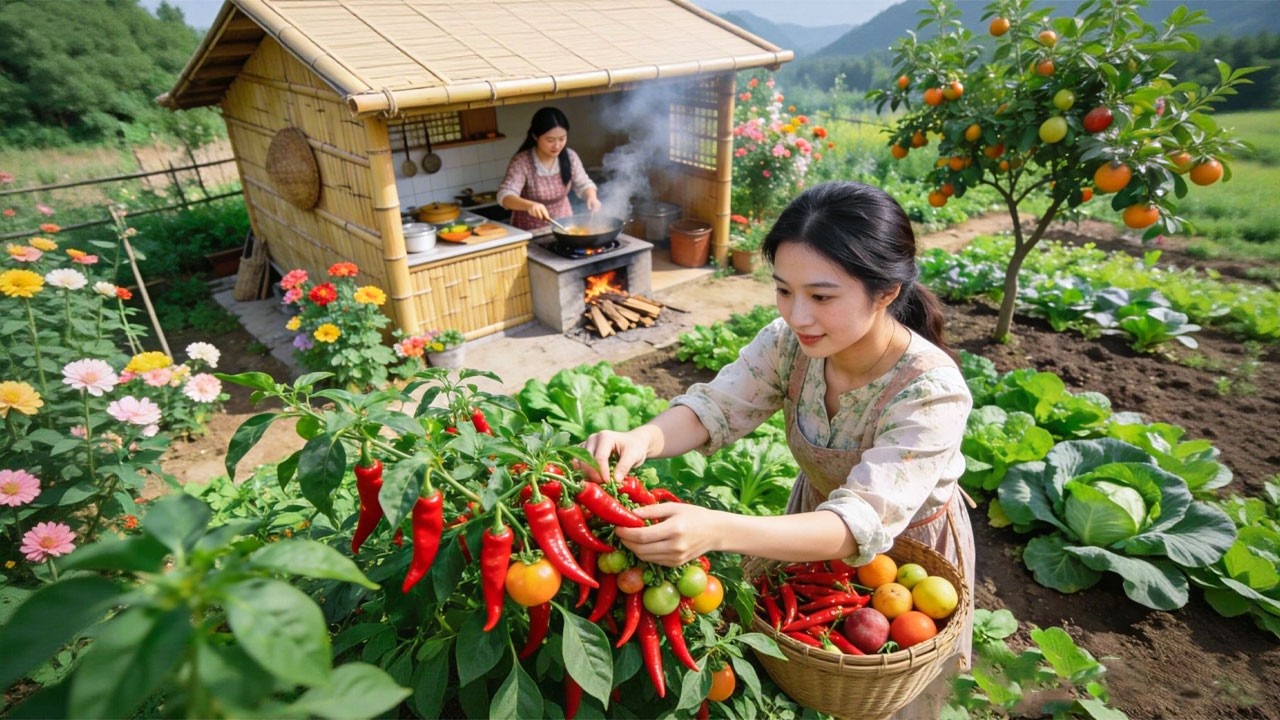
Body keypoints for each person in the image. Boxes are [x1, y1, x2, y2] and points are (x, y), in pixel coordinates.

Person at [584, 181, 975, 714]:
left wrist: (716, 530)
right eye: (783, 290)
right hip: (810, 523)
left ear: (885, 292)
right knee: (808, 673)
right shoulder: (789, 344)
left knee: (888, 690)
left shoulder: (931, 392)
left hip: (911, 552)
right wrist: (643, 438)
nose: (797, 315)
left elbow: (857, 523)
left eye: (821, 296)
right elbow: (715, 406)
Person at [497, 107, 600, 231]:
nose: (557, 145)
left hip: (565, 225)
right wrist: (529, 205)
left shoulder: (570, 156)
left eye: (562, 139)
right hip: (530, 229)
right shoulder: (522, 161)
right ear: (535, 136)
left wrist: (591, 197)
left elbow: (584, 184)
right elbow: (505, 195)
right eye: (550, 140)